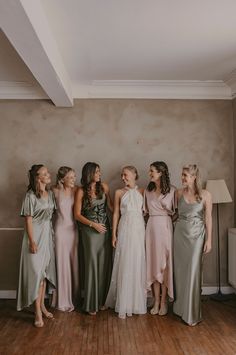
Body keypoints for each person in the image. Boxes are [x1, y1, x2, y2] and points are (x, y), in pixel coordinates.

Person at [17, 164, 56, 328]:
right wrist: (32, 241)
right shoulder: (30, 196)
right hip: (35, 237)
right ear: (37, 177)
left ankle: (42, 306)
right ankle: (37, 313)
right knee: (36, 274)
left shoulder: (50, 194)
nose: (48, 175)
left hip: (47, 236)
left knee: (44, 274)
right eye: (45, 173)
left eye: (48, 172)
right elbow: (28, 220)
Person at [173, 164, 212, 326]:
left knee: (193, 272)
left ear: (194, 177)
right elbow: (175, 214)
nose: (182, 178)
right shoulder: (178, 193)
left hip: (197, 236)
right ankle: (180, 308)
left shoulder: (206, 194)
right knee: (180, 272)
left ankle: (192, 314)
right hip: (179, 235)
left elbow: (208, 218)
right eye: (182, 175)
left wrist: (209, 240)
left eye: (186, 175)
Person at [105, 166, 146, 319]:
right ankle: (124, 301)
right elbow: (115, 213)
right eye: (122, 175)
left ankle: (136, 301)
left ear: (135, 175)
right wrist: (114, 234)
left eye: (126, 175)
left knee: (137, 262)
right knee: (124, 262)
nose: (123, 177)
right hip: (124, 228)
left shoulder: (143, 192)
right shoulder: (119, 193)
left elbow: (147, 211)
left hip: (139, 229)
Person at [74, 162, 113, 315]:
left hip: (105, 229)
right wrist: (93, 225)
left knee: (104, 265)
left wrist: (127, 213)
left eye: (99, 171)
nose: (99, 173)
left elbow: (110, 206)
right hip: (89, 232)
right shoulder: (81, 191)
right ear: (89, 173)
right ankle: (90, 303)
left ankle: (102, 301)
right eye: (96, 171)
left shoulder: (104, 187)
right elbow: (77, 215)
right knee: (91, 265)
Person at [144, 161, 175, 316]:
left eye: (152, 171)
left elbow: (176, 212)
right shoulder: (147, 191)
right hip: (151, 227)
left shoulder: (172, 191)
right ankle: (155, 301)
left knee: (165, 265)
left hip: (165, 227)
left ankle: (164, 302)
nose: (149, 173)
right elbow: (144, 212)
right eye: (149, 171)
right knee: (153, 264)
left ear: (161, 173)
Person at [52, 166, 78, 312]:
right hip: (60, 230)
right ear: (62, 179)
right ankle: (61, 300)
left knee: (74, 265)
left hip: (74, 231)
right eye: (71, 177)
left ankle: (74, 298)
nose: (74, 179)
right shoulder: (54, 191)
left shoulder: (76, 190)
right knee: (62, 264)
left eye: (74, 176)